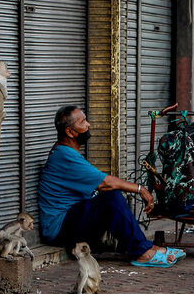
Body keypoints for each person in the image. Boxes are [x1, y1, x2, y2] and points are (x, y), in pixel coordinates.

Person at [38, 106, 184, 268]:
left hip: (70, 222)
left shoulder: (65, 152)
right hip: (59, 230)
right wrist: (140, 189)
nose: (88, 125)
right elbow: (104, 183)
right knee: (111, 197)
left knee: (112, 199)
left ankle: (144, 247)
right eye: (83, 122)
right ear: (70, 132)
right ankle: (142, 252)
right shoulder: (64, 156)